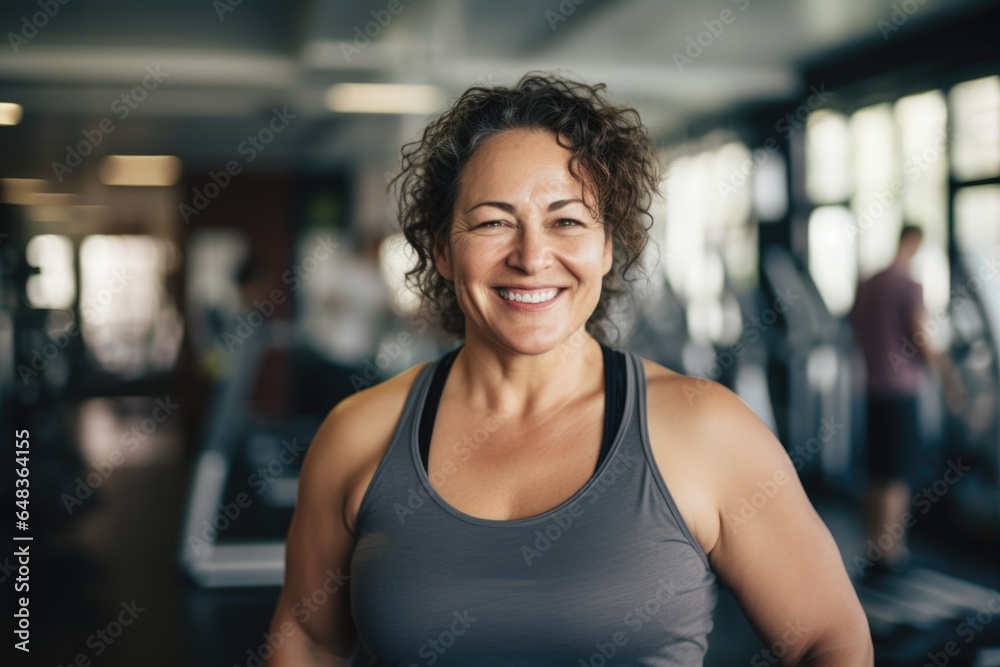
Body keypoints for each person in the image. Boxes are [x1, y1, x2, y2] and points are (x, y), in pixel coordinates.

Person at [265, 72, 873, 666]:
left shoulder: (706, 428)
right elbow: (308, 639)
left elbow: (829, 639)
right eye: (493, 221)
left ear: (608, 247)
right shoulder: (358, 434)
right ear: (443, 251)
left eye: (567, 221)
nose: (532, 257)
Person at [850, 224, 962, 577]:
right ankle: (892, 554)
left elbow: (855, 329)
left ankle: (874, 547)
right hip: (900, 391)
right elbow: (922, 337)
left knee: (877, 471)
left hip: (872, 388)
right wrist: (949, 380)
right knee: (896, 473)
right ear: (913, 243)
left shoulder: (869, 284)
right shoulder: (908, 286)